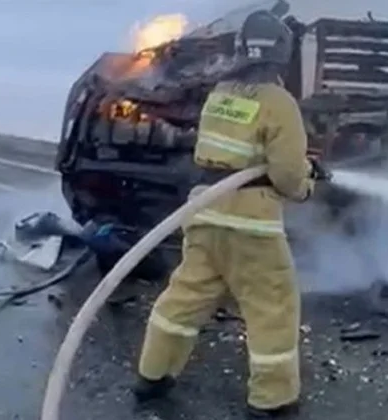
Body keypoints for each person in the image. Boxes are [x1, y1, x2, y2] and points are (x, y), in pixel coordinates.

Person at [132, 9, 320, 419]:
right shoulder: (278, 102)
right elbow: (287, 175)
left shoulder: (220, 93)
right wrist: (306, 184)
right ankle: (273, 401)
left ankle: (153, 375)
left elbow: (221, 152)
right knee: (273, 306)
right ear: (280, 56)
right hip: (250, 224)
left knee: (184, 297)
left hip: (204, 212)